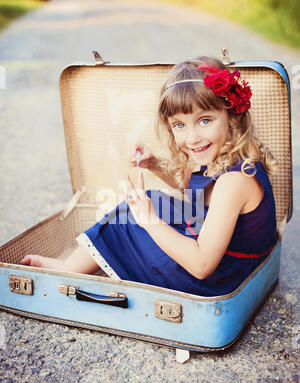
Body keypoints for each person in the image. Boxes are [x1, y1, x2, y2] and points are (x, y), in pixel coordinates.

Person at [21, 56, 278, 296]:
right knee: (153, 200)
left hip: (218, 280)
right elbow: (194, 187)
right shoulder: (229, 158)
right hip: (230, 262)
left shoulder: (234, 182)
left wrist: (148, 220)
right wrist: (153, 163)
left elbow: (201, 265)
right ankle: (76, 263)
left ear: (232, 116)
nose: (192, 138)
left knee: (128, 220)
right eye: (179, 125)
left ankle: (67, 270)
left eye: (205, 120)